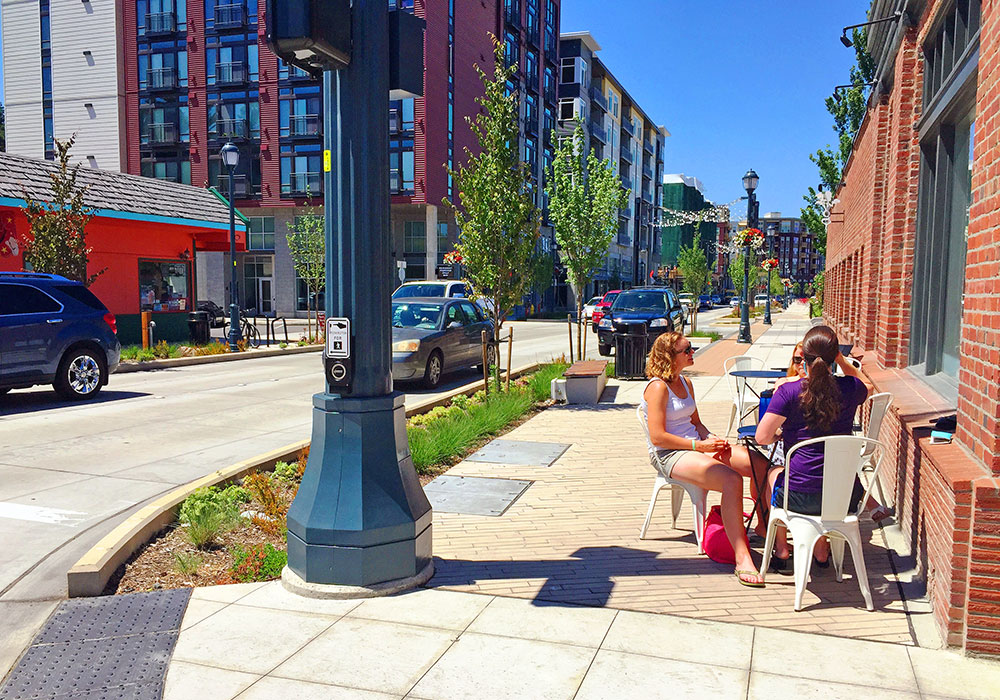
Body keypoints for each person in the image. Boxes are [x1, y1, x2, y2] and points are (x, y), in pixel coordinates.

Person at [641, 331, 770, 587]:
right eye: (686, 350)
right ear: (669, 356)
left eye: (691, 348)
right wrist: (699, 446)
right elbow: (658, 437)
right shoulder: (657, 387)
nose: (692, 353)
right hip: (670, 454)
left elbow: (696, 423)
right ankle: (742, 557)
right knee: (731, 480)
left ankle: (763, 529)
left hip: (696, 446)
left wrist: (713, 439)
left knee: (759, 464)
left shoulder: (686, 383)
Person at [755, 325, 871, 569]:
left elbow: (762, 437)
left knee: (774, 473)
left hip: (799, 497)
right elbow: (868, 386)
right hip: (843, 498)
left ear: (804, 360)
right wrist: (841, 358)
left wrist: (781, 433)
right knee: (823, 482)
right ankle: (820, 549)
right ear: (833, 357)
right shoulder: (850, 388)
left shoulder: (788, 391)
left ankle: (782, 549)